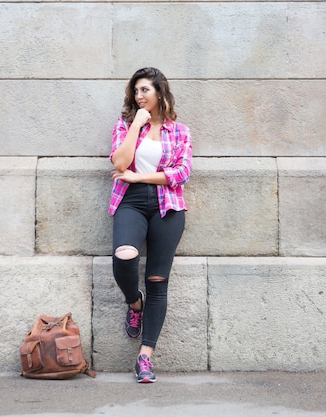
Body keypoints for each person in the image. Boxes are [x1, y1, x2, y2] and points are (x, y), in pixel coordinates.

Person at [109, 67, 193, 383]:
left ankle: (145, 357)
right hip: (130, 201)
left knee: (158, 279)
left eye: (145, 90)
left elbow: (181, 174)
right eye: (136, 91)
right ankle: (135, 301)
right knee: (125, 255)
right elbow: (119, 162)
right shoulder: (124, 125)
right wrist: (137, 126)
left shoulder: (180, 131)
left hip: (167, 207)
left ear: (160, 92)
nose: (139, 95)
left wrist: (139, 175)